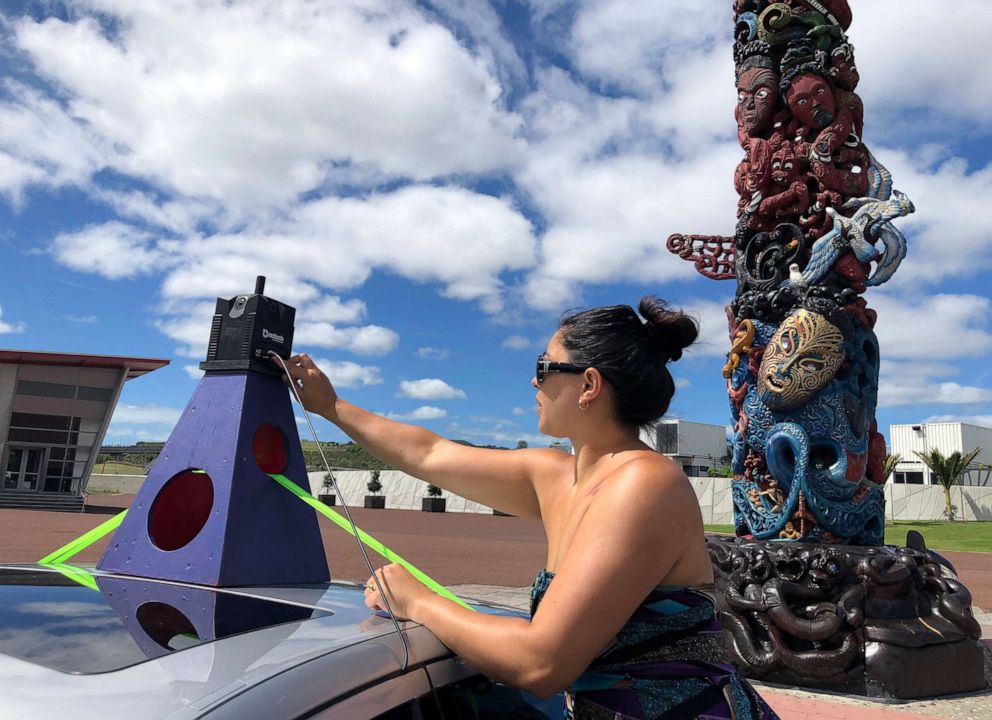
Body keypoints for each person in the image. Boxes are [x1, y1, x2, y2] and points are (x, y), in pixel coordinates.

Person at [280, 297, 777, 720]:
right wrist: (331, 406)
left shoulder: (643, 484)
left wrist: (417, 601)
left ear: (588, 385)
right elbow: (428, 454)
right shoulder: (558, 474)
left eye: (543, 368)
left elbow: (542, 663)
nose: (533, 384)